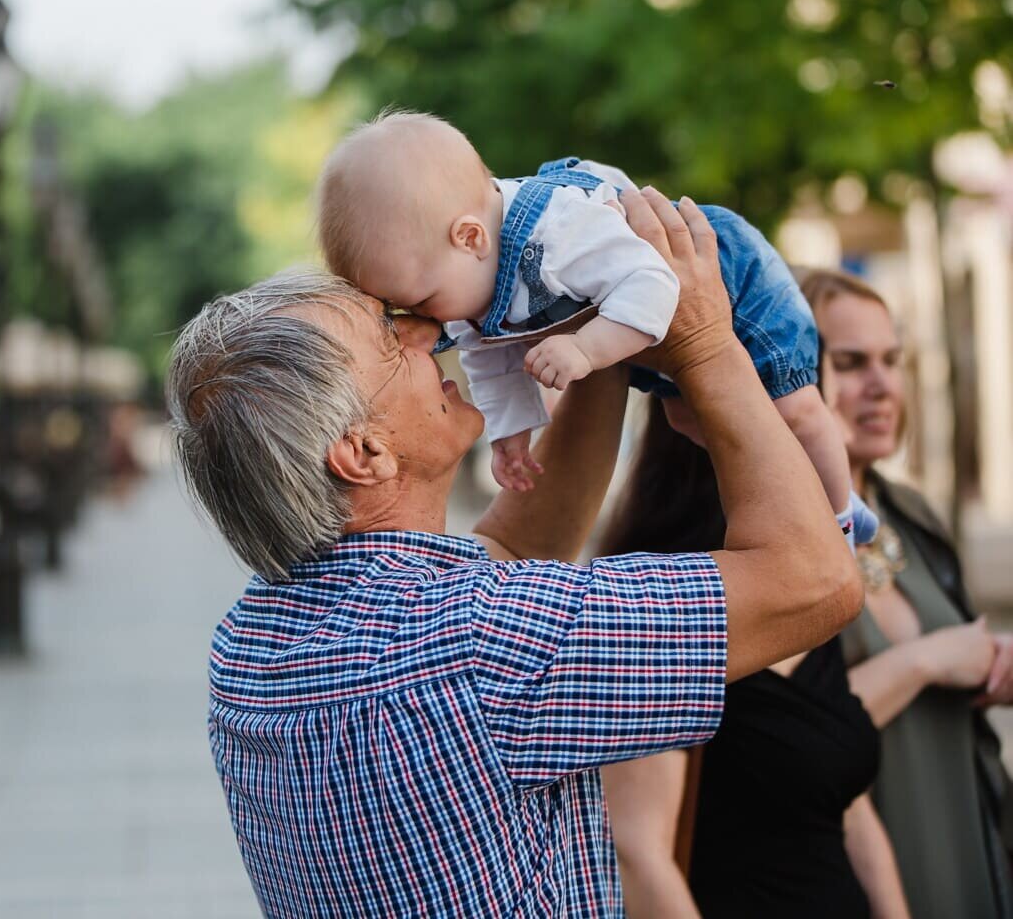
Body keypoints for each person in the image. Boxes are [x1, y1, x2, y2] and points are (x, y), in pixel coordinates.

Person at [168, 186, 862, 916]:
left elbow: (523, 544)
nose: (424, 330)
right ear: (363, 452)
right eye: (386, 334)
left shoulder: (249, 647)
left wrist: (594, 312)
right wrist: (706, 344)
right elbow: (814, 582)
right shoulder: (479, 641)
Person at [317, 111, 876, 549]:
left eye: (420, 302)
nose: (427, 324)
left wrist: (587, 348)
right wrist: (512, 432)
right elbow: (490, 356)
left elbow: (655, 283)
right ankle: (790, 506)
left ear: (470, 238)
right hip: (642, 331)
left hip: (735, 285)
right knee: (688, 418)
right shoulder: (466, 282)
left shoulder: (561, 234)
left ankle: (842, 518)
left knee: (798, 410)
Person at [599, 398, 910, 918]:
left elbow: (843, 802)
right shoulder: (664, 603)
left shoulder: (806, 592)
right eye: (802, 402)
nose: (825, 428)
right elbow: (639, 854)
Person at [803, 267, 1013, 918]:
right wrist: (926, 662)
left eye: (893, 360)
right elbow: (781, 729)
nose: (882, 386)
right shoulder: (775, 535)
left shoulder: (911, 514)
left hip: (965, 849)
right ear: (796, 373)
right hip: (864, 875)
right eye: (851, 362)